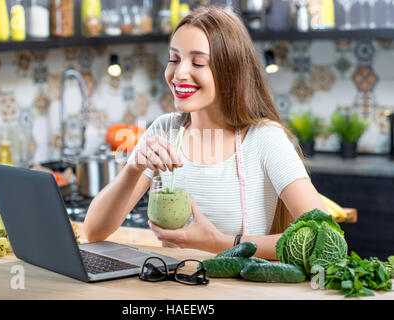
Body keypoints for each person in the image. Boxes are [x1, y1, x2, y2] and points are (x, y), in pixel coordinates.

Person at [83, 6, 328, 260]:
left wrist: (219, 243)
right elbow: (94, 231)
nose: (179, 74)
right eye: (174, 59)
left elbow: (322, 236)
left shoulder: (264, 139)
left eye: (198, 62)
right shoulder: (165, 130)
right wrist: (133, 167)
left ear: (230, 71)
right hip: (176, 290)